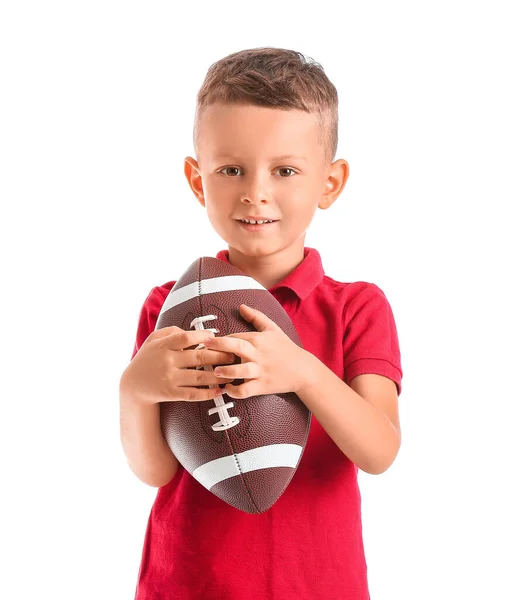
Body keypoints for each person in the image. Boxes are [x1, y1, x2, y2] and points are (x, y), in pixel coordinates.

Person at [119, 46, 403, 600]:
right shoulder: (167, 306)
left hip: (319, 586)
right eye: (231, 169)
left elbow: (379, 452)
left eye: (285, 170)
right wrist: (133, 389)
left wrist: (304, 373)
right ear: (197, 180)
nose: (256, 191)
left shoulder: (358, 307)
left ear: (330, 182)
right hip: (191, 583)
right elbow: (156, 471)